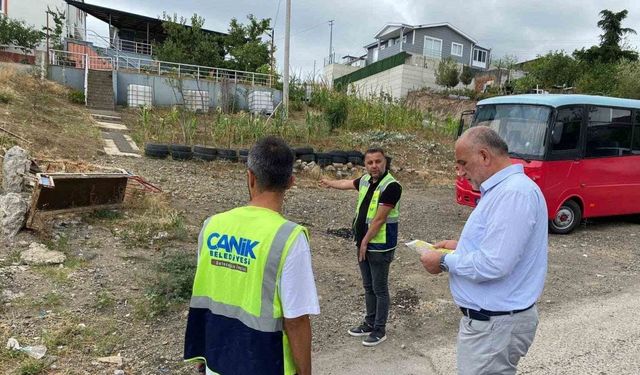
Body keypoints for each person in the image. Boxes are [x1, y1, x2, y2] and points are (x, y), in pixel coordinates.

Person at [184, 136, 320, 375]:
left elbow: (209, 293)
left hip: (217, 359)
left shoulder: (212, 226)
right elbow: (296, 320)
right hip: (265, 363)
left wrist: (204, 354)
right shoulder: (288, 238)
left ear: (250, 177)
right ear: (290, 182)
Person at [420, 126, 548, 375]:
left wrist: (445, 261)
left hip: (494, 325)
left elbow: (495, 263)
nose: (460, 172)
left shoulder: (513, 194)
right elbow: (503, 247)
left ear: (484, 156)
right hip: (493, 324)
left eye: (463, 163)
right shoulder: (505, 191)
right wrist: (460, 246)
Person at [320, 148, 402, 346]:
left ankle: (379, 329)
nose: (374, 166)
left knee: (379, 288)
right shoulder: (365, 180)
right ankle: (369, 322)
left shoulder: (392, 186)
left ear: (385, 162)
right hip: (362, 243)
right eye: (370, 162)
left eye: (378, 162)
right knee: (368, 286)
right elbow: (347, 183)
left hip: (379, 246)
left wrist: (364, 242)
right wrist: (329, 183)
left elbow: (380, 219)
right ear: (365, 165)